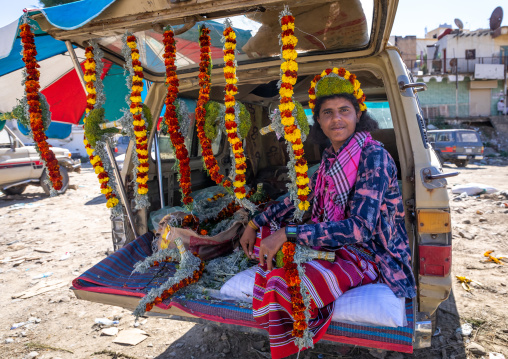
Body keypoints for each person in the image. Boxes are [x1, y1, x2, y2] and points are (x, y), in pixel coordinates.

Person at [240, 68, 416, 359]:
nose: (337, 119)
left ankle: (290, 344)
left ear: (358, 114)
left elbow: (360, 229)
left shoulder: (375, 156)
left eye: (344, 110)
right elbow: (299, 198)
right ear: (319, 122)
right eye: (328, 113)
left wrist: (288, 233)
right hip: (335, 244)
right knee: (262, 243)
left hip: (370, 253)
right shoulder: (330, 159)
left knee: (281, 284)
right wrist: (254, 221)